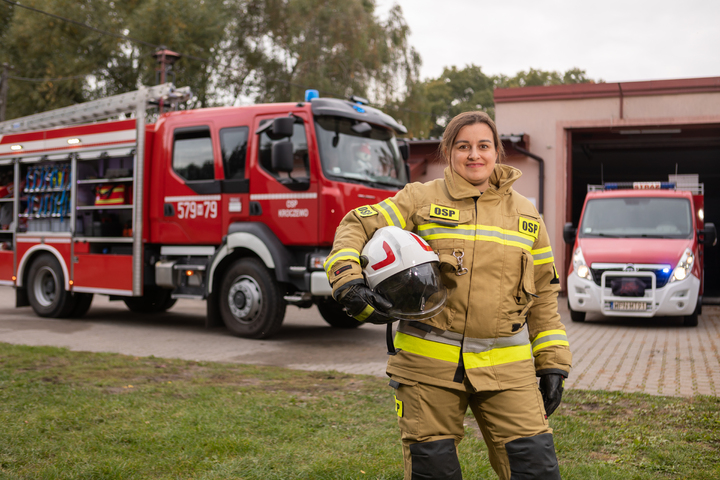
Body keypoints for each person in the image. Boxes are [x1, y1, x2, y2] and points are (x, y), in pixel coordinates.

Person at [324, 111, 572, 480]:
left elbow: (545, 295)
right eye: (464, 146)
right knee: (433, 472)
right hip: (428, 369)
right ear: (448, 152)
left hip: (509, 371)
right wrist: (347, 280)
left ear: (496, 152)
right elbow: (357, 223)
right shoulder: (420, 198)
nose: (475, 155)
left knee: (536, 469)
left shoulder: (526, 215)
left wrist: (552, 362)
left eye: (483, 146)